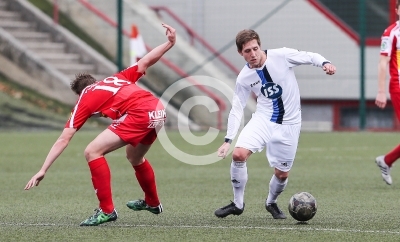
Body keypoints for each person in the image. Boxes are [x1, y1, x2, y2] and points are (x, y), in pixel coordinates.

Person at [24, 23, 176, 226]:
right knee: (134, 156)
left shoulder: (84, 98)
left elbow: (64, 138)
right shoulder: (115, 79)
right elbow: (146, 61)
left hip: (140, 113)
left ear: (79, 93)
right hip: (158, 109)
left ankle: (107, 211)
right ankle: (153, 202)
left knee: (92, 152)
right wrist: (169, 43)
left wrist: (43, 169)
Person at [214, 29, 336, 219]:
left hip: (290, 124)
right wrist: (228, 140)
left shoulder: (282, 56)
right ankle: (238, 203)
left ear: (260, 46)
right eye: (247, 51)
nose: (253, 54)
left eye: (255, 48)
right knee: (238, 155)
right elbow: (237, 108)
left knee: (282, 174)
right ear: (240, 53)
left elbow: (309, 56)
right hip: (263, 119)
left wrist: (325, 63)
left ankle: (271, 202)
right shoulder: (244, 78)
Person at [374, 0, 400, 186]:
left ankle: (387, 160)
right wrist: (381, 91)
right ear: (397, 10)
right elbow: (383, 62)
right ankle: (386, 160)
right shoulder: (391, 33)